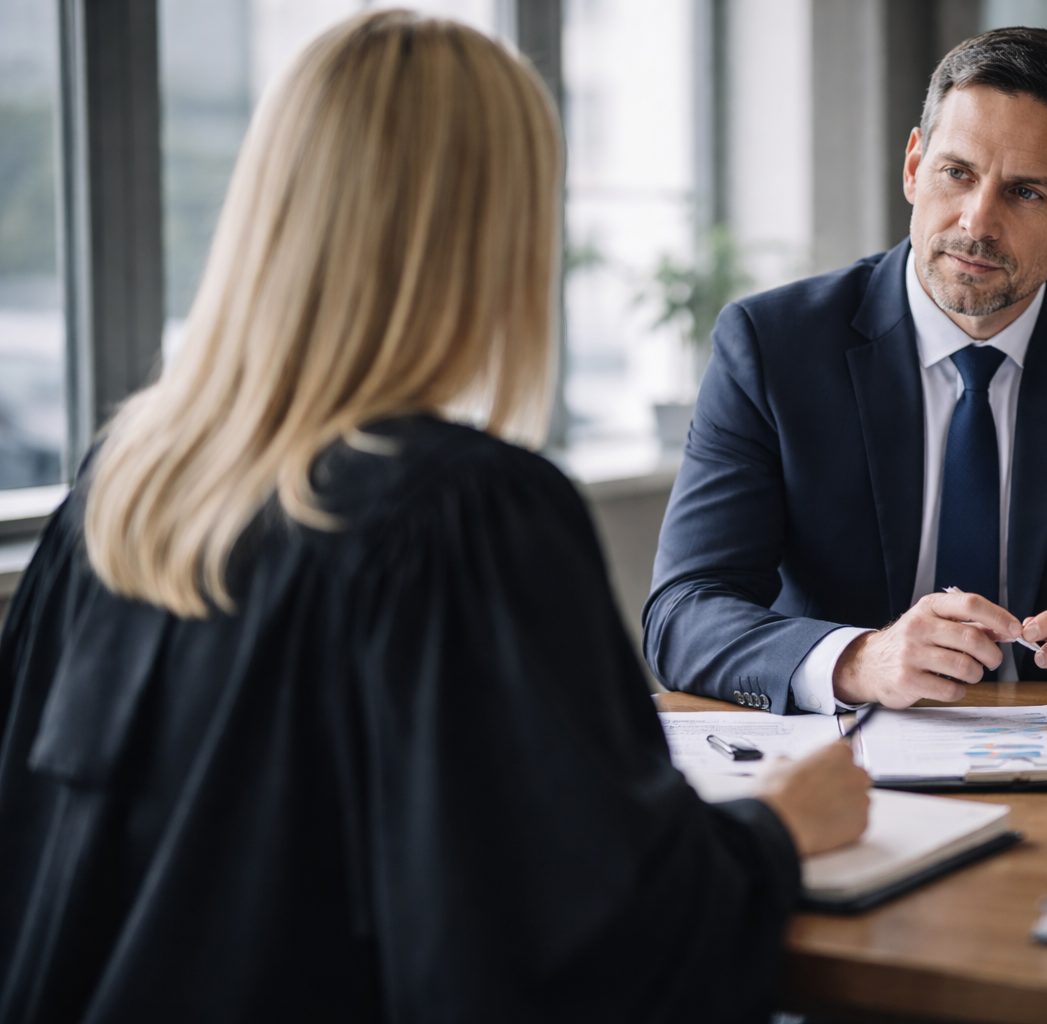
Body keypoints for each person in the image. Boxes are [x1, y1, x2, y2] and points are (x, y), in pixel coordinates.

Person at [0, 12, 868, 1023]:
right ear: (490, 231)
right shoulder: (467, 515)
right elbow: (580, 938)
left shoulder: (120, 493)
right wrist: (776, 831)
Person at [644, 27, 1047, 716]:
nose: (976, 223)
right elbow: (684, 613)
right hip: (836, 761)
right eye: (957, 173)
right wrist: (859, 660)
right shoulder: (772, 346)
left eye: (1025, 193)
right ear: (913, 167)